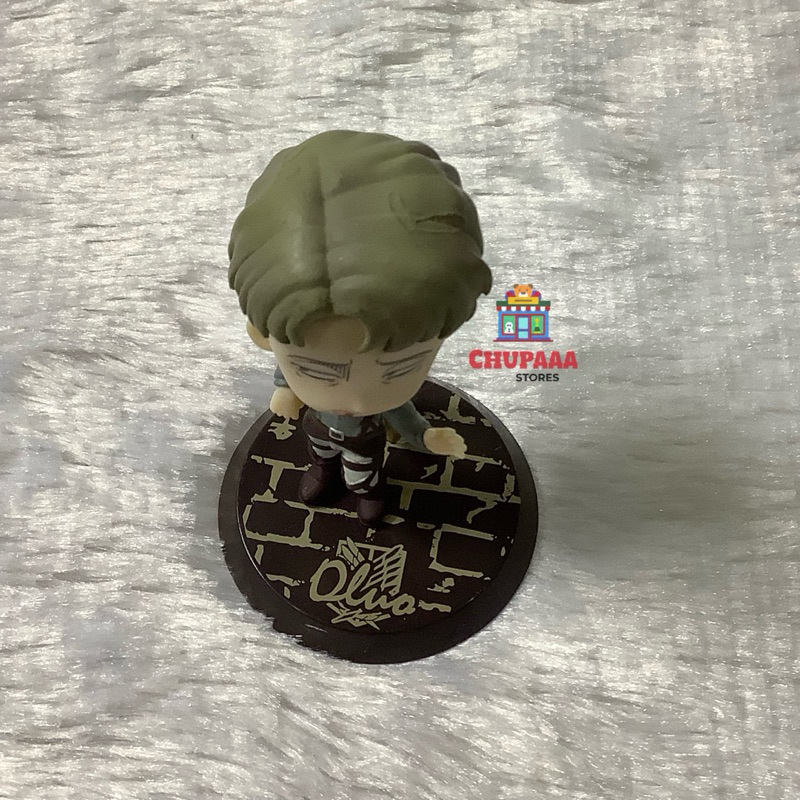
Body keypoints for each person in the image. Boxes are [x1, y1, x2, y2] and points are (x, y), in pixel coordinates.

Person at [228, 130, 491, 525]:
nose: (357, 399)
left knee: (363, 472)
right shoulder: (285, 346)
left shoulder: (380, 406)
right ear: (261, 335)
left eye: (400, 370)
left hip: (365, 442)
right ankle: (323, 471)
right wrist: (286, 390)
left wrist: (425, 436)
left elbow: (403, 416)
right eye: (317, 371)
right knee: (321, 455)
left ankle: (369, 491)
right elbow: (286, 368)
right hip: (318, 430)